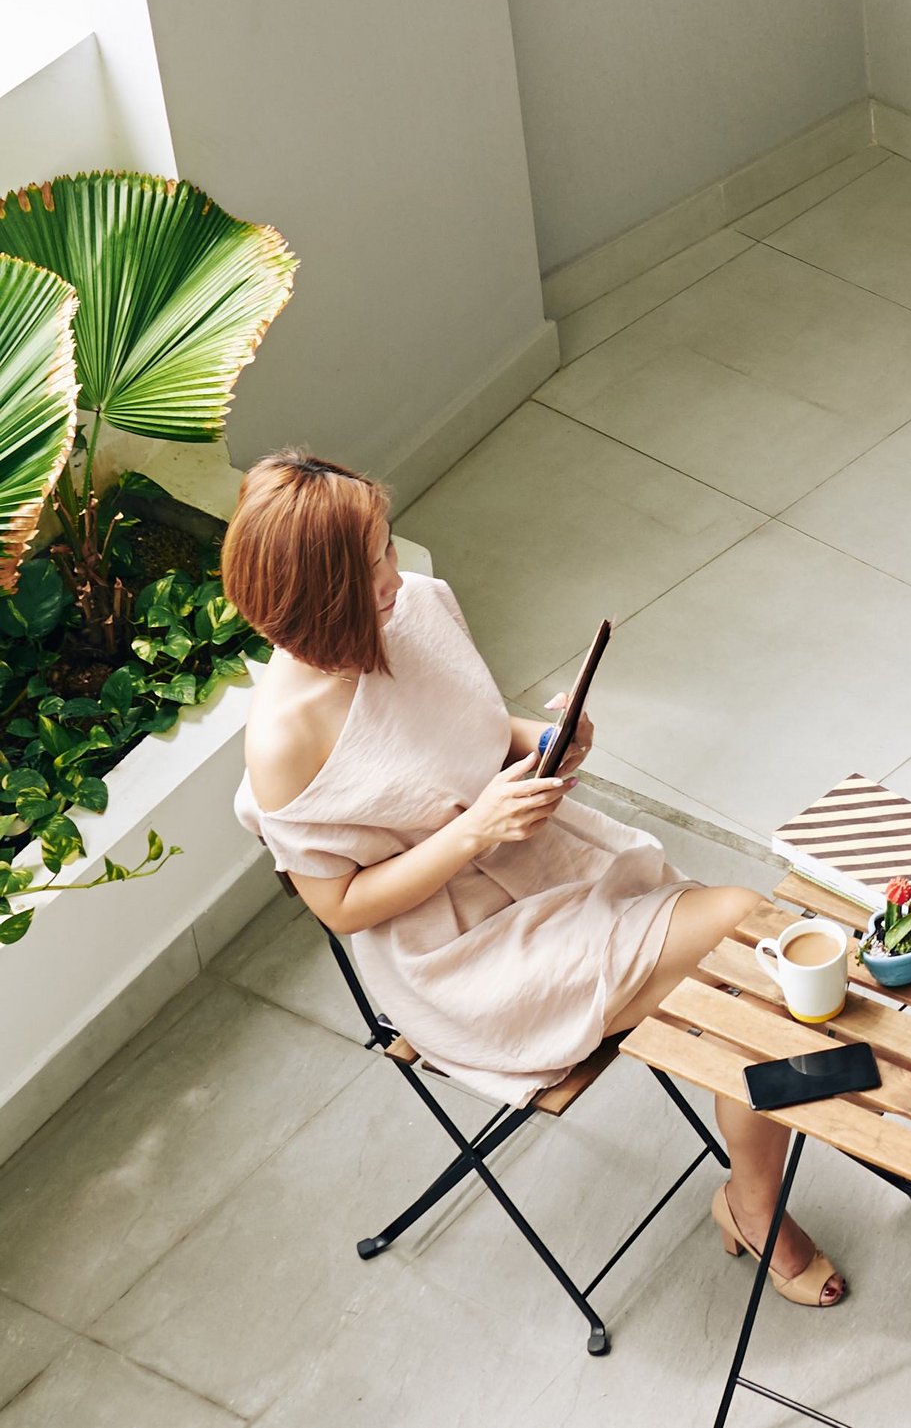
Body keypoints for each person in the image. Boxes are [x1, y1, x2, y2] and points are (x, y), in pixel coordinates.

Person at [228, 449, 846, 1306]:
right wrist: (472, 830)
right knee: (752, 941)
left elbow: (479, 730)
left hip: (548, 861)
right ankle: (758, 1195)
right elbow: (339, 907)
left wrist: (550, 739)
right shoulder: (284, 741)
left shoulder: (416, 607)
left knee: (755, 982)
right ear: (319, 592)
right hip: (464, 955)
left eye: (386, 542)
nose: (394, 571)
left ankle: (757, 1182)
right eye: (370, 563)